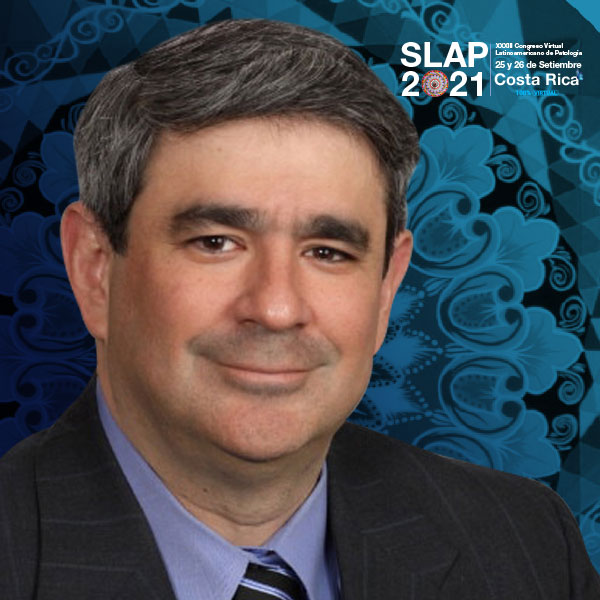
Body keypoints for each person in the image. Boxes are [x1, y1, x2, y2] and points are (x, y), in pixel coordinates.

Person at [0, 18, 598, 600]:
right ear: (95, 270)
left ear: (386, 287)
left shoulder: (527, 542)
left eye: (328, 252)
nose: (277, 308)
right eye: (216, 242)